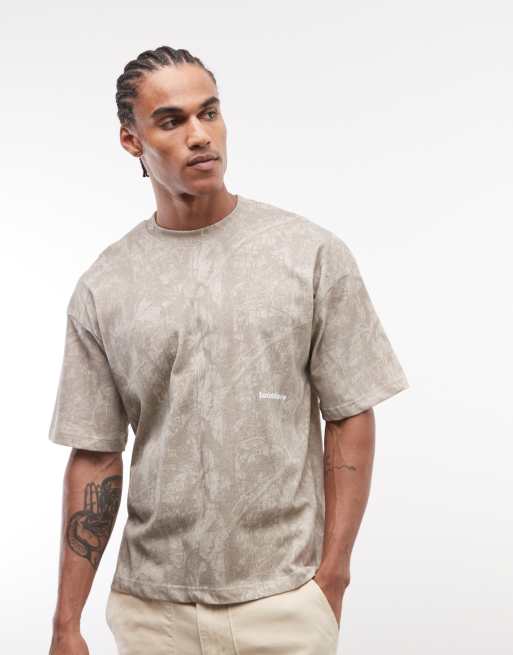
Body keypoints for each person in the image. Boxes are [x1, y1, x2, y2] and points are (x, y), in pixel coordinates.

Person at [47, 45, 410, 655]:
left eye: (209, 113)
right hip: (152, 611)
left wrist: (332, 578)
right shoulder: (104, 285)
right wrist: (66, 624)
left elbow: (350, 413)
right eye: (171, 121)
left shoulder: (309, 253)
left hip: (284, 600)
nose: (199, 135)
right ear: (132, 141)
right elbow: (96, 454)